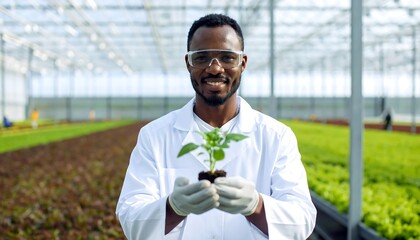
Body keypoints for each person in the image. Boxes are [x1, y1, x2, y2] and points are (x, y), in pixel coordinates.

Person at [116, 13, 316, 240]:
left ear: (243, 63)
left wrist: (256, 205)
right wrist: (173, 208)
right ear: (188, 63)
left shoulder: (277, 137)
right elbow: (130, 218)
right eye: (202, 58)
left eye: (227, 57)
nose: (214, 68)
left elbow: (302, 219)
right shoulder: (154, 136)